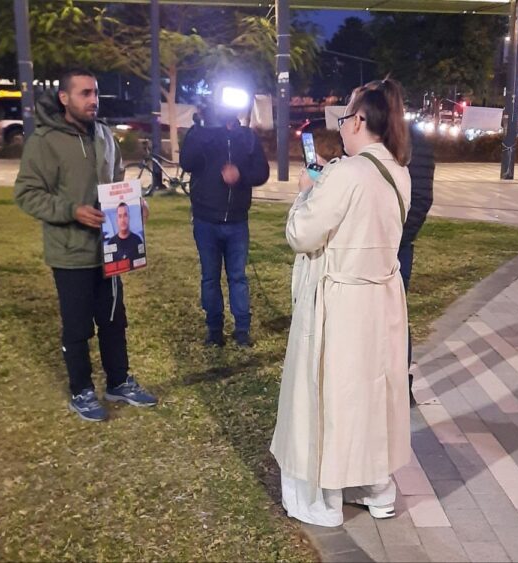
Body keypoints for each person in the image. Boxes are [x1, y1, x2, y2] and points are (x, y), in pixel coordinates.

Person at [270, 78, 412, 527]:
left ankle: (325, 499)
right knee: (375, 394)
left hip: (342, 303)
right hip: (383, 300)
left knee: (334, 396)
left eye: (345, 118)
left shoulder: (347, 172)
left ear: (361, 121)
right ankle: (377, 487)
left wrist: (305, 193)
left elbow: (302, 234)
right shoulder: (398, 171)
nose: (342, 127)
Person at [14, 69, 157, 422]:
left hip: (111, 251)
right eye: (85, 93)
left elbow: (117, 179)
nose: (93, 100)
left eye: (95, 93)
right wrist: (71, 211)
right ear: (65, 98)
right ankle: (81, 390)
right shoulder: (45, 141)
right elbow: (27, 194)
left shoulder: (104, 135)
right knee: (78, 326)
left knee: (113, 320)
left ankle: (119, 381)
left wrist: (132, 202)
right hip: (70, 252)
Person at [179, 88, 270, 348]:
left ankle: (242, 329)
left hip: (237, 221)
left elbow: (261, 172)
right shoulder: (202, 134)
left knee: (238, 277)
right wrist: (201, 131)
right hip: (206, 219)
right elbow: (187, 161)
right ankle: (214, 329)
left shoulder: (247, 138)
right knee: (210, 276)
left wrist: (240, 175)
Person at [402, 126, 435, 406]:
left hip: (396, 245)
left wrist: (401, 235)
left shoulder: (413, 141)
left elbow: (422, 197)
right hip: (378, 241)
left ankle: (401, 383)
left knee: (395, 316)